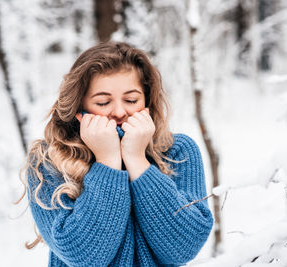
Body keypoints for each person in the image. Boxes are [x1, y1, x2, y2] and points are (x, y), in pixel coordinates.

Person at [20, 41, 213, 267]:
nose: (120, 112)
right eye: (103, 102)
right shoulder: (49, 160)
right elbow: (83, 257)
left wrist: (138, 161)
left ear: (147, 101)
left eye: (131, 100)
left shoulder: (177, 151)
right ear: (78, 106)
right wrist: (108, 163)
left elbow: (183, 247)